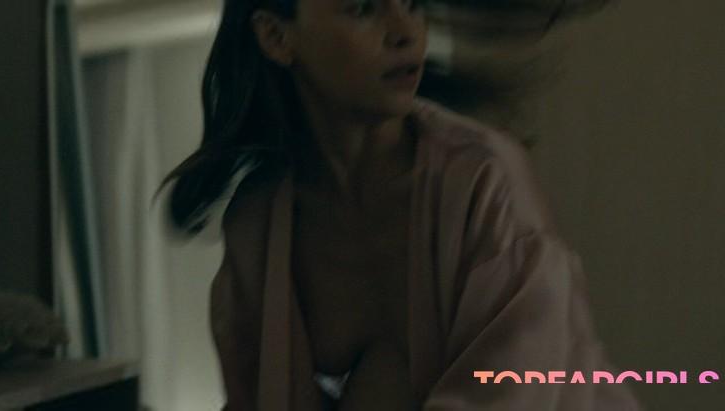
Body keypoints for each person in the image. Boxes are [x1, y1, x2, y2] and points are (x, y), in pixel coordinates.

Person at [160, 0, 641, 409]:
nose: (406, 32)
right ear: (276, 37)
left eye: (412, 2)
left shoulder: (483, 185)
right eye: (363, 9)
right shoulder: (259, 225)